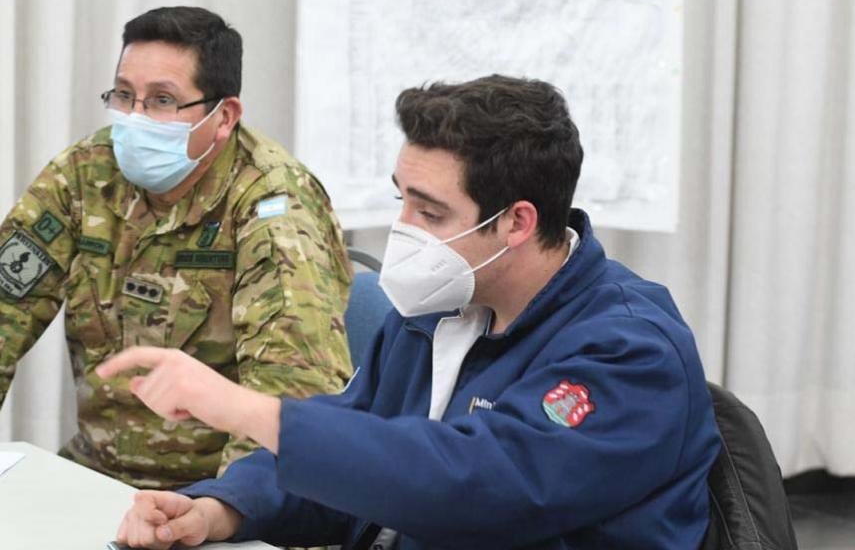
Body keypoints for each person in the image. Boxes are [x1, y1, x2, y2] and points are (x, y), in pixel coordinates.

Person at [101, 75, 721, 549]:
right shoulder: (442, 305)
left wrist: (240, 407)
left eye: (430, 213)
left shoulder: (629, 352)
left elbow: (470, 486)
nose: (404, 232)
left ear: (517, 221)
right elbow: (359, 461)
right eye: (403, 201)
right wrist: (221, 509)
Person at [0, 6, 353, 489]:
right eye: (124, 95)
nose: (135, 118)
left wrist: (219, 511)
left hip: (218, 497)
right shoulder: (86, 174)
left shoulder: (273, 205)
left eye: (162, 100)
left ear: (223, 116)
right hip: (95, 477)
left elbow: (292, 398)